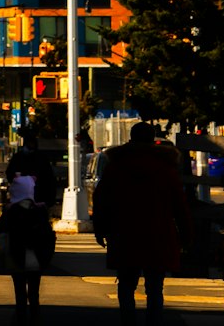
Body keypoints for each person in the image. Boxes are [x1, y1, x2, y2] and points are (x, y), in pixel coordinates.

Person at [92, 122, 192, 325]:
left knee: (126, 285)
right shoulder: (166, 168)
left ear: (131, 138)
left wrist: (100, 230)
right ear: (153, 140)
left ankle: (128, 321)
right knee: (155, 287)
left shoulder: (116, 166)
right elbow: (180, 205)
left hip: (124, 235)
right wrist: (186, 235)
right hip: (158, 235)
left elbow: (101, 200)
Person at [0, 172, 55, 324]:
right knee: (34, 292)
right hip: (37, 257)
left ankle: (20, 318)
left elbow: (1, 236)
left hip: (15, 256)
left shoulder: (9, 212)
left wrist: (1, 254)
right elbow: (48, 236)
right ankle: (35, 317)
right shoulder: (40, 211)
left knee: (20, 292)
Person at [6, 130, 58, 209]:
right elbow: (10, 174)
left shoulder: (40, 159)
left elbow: (48, 177)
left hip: (37, 194)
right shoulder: (19, 158)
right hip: (21, 194)